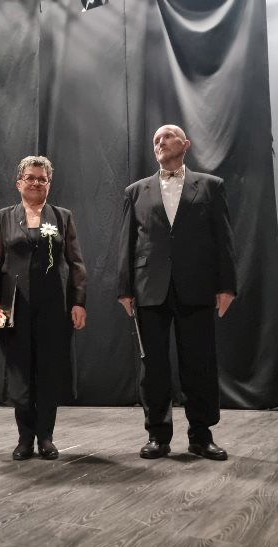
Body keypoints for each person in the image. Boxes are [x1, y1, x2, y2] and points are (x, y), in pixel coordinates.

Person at [117, 125, 236, 461]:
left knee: (199, 363)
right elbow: (127, 242)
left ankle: (201, 435)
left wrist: (227, 285)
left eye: (167, 136)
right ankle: (157, 435)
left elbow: (223, 239)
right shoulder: (136, 191)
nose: (160, 141)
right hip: (149, 287)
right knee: (153, 367)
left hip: (196, 285)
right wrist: (125, 288)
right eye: (156, 139)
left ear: (186, 144)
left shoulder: (211, 186)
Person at [0, 156, 87, 461]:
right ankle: (25, 439)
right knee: (20, 371)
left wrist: (78, 302)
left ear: (49, 184)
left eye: (42, 179)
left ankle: (46, 438)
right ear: (19, 183)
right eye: (30, 177)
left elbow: (76, 263)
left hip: (54, 306)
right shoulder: (3, 218)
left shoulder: (62, 217)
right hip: (15, 307)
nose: (36, 183)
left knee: (49, 371)